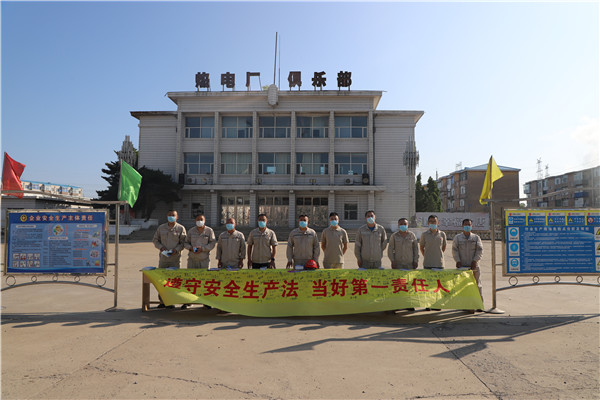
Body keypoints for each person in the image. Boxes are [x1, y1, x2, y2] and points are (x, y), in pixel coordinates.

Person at [152, 210, 186, 308]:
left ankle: (171, 301)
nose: (171, 217)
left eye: (173, 215)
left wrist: (176, 250)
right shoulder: (161, 228)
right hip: (163, 259)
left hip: (175, 259)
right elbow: (155, 240)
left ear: (177, 217)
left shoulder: (180, 228)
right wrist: (161, 247)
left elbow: (183, 243)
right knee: (162, 281)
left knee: (174, 282)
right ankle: (162, 301)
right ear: (167, 216)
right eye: (169, 215)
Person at [452, 218, 484, 313]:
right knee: (463, 286)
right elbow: (454, 250)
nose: (467, 226)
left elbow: (480, 250)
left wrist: (475, 261)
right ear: (462, 226)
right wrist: (457, 261)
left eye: (469, 225)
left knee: (477, 285)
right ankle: (466, 305)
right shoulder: (458, 238)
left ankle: (479, 305)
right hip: (462, 267)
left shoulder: (476, 238)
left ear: (471, 226)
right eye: (465, 225)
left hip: (474, 267)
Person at [419, 214, 446, 311]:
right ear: (428, 223)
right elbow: (421, 247)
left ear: (438, 222)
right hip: (428, 263)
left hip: (439, 264)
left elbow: (444, 247)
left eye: (434, 221)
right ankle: (428, 304)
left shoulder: (442, 234)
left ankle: (437, 304)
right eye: (430, 221)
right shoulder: (424, 235)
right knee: (428, 285)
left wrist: (438, 255)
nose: (432, 223)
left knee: (438, 285)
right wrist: (426, 256)